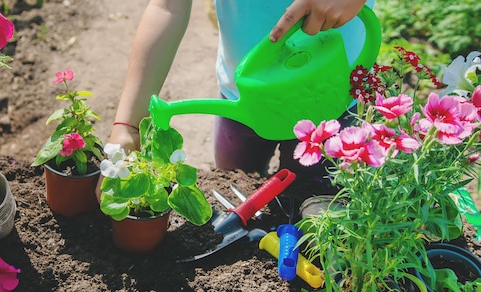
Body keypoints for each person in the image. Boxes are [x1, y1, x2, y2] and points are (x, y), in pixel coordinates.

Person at [101, 0, 375, 216]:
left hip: (331, 104)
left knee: (320, 209)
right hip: (241, 105)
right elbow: (167, 6)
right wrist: (128, 126)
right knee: (234, 186)